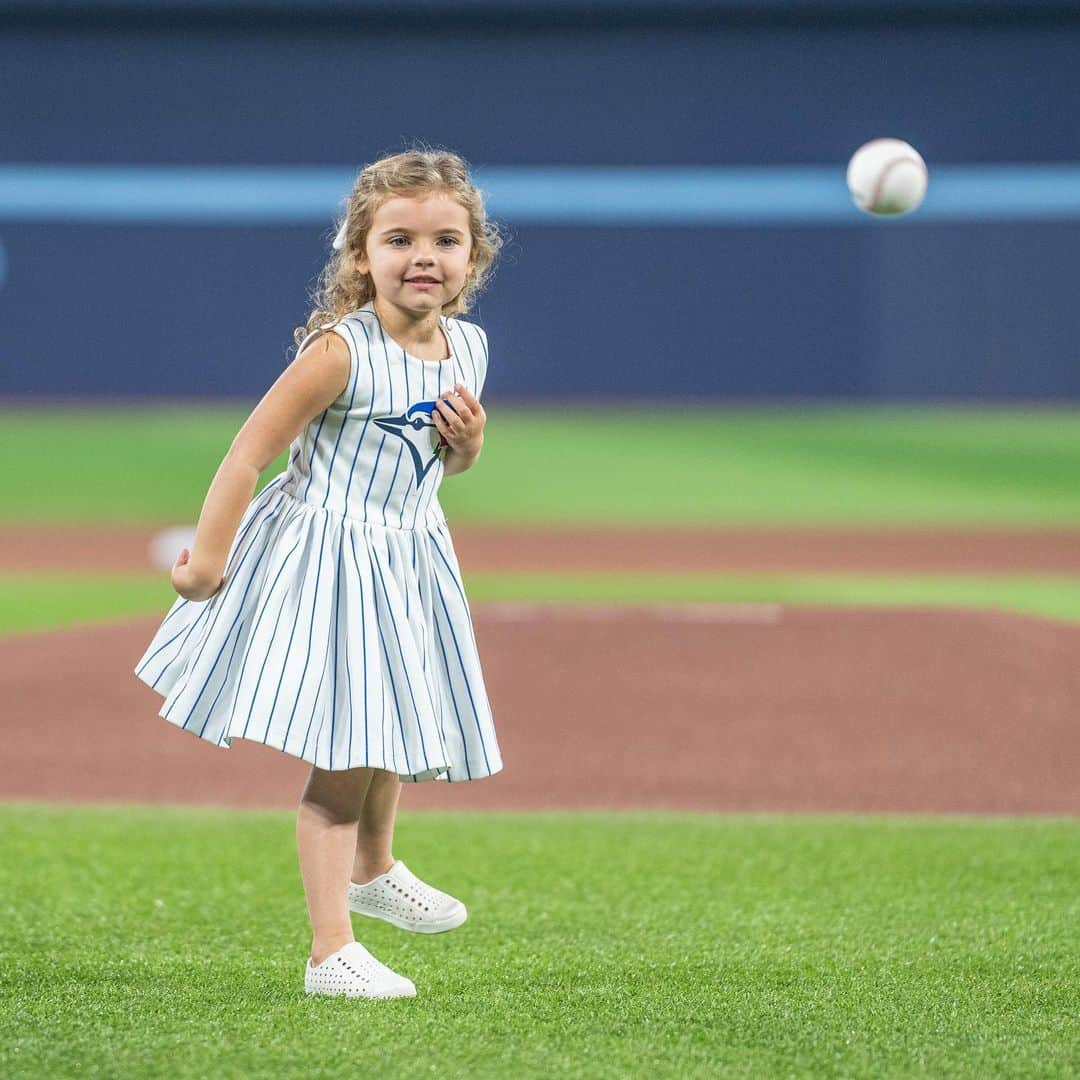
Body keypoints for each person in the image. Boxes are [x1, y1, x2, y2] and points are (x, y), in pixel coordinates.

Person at [133, 147, 505, 999]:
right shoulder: (341, 352)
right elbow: (248, 454)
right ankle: (329, 952)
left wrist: (470, 447)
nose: (423, 256)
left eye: (445, 240)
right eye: (399, 238)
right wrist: (206, 565)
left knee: (392, 726)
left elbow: (434, 464)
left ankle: (374, 869)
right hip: (329, 561)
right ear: (359, 256)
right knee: (345, 753)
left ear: (472, 258)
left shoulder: (470, 347)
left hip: (408, 555)